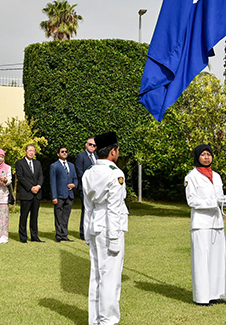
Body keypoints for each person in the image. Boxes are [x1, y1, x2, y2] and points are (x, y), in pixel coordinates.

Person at [82, 131, 128, 325]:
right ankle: (108, 320)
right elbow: (114, 209)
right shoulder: (115, 173)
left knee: (97, 275)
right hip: (110, 227)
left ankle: (95, 319)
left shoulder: (88, 172)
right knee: (111, 277)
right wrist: (115, 238)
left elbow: (87, 207)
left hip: (94, 225)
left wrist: (86, 233)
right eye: (117, 150)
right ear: (112, 152)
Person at [185, 144, 226, 306]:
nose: (206, 157)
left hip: (216, 222)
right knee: (201, 260)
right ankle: (202, 297)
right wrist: (215, 201)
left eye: (209, 154)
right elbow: (192, 201)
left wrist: (225, 200)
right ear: (197, 157)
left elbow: (218, 198)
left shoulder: (217, 176)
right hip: (201, 223)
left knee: (217, 259)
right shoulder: (191, 176)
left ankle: (215, 293)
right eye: (203, 154)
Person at [15, 144, 43, 243]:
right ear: (25, 151)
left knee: (34, 216)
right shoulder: (20, 163)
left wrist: (38, 186)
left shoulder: (37, 163)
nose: (31, 152)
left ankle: (34, 236)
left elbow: (41, 176)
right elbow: (21, 177)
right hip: (26, 193)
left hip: (37, 194)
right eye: (30, 150)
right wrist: (31, 187)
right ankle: (23, 237)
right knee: (24, 216)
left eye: (33, 151)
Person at [51, 146, 78, 242]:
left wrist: (74, 185)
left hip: (69, 195)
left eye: (66, 151)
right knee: (58, 216)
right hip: (59, 195)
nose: (64, 153)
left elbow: (75, 178)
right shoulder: (54, 166)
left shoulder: (71, 165)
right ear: (58, 154)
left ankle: (64, 235)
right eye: (62, 151)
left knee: (66, 216)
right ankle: (58, 235)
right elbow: (53, 182)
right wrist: (54, 196)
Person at [75, 137, 98, 240]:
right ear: (86, 144)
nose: (92, 147)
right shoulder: (81, 156)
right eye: (90, 144)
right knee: (86, 210)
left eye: (94, 145)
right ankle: (83, 233)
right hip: (85, 187)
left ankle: (92, 231)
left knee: (94, 210)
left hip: (96, 188)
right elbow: (80, 173)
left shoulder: (96, 156)